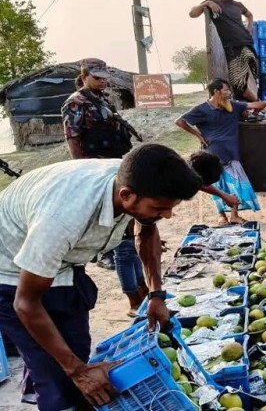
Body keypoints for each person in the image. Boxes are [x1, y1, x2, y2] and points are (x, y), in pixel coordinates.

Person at [0, 144, 202, 410]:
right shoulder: (63, 218)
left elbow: (147, 231)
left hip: (62, 265)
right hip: (10, 272)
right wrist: (77, 371)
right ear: (126, 195)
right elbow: (25, 303)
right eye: (159, 208)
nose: (167, 215)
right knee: (58, 374)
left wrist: (156, 295)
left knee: (77, 349)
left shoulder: (134, 178)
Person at [62, 58, 148, 316]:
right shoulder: (76, 103)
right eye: (97, 77)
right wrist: (87, 174)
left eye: (104, 77)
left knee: (129, 235)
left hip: (117, 172)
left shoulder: (102, 100)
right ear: (84, 75)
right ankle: (133, 300)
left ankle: (142, 289)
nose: (103, 81)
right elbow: (73, 141)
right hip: (99, 177)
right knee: (121, 244)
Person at [175, 78, 266, 225]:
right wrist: (198, 135)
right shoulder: (202, 109)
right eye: (226, 90)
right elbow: (180, 121)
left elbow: (254, 104)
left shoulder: (232, 106)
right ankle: (222, 216)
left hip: (231, 154)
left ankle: (234, 215)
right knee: (217, 186)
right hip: (212, 156)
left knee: (236, 185)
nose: (229, 93)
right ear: (216, 91)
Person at [189, 0, 258, 102]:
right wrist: (207, 3)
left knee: (250, 73)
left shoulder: (238, 5)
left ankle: (253, 103)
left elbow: (249, 15)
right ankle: (252, 104)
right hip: (231, 45)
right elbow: (192, 13)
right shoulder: (213, 2)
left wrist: (249, 29)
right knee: (237, 80)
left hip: (246, 42)